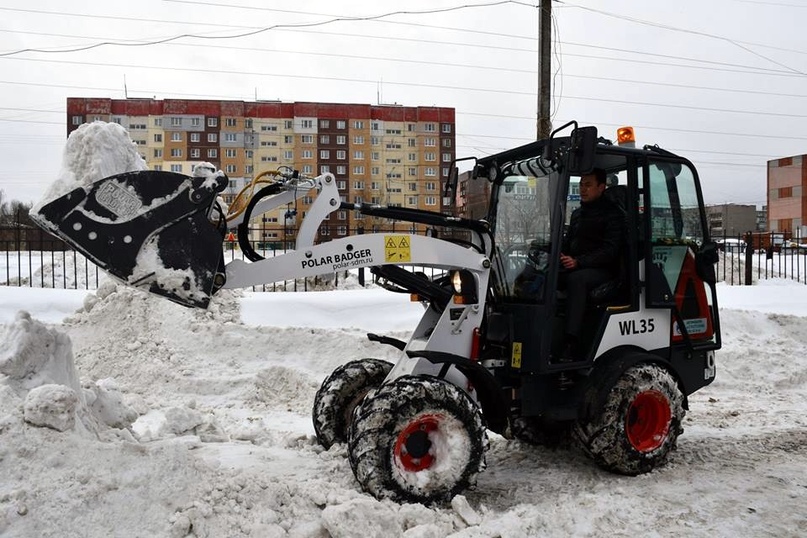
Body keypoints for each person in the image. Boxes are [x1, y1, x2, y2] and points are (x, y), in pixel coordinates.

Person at [559, 168, 626, 361]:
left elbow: (610, 250)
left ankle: (571, 342)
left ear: (601, 187)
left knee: (576, 280)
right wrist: (553, 252)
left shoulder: (613, 214)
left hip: (604, 270)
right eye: (581, 184)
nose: (582, 189)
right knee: (542, 276)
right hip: (578, 264)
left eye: (588, 185)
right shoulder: (578, 214)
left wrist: (579, 261)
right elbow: (570, 240)